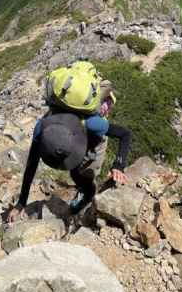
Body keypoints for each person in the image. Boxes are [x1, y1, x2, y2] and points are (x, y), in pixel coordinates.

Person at [8, 81, 132, 222]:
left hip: (94, 137)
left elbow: (125, 134)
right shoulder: (41, 129)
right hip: (75, 131)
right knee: (74, 171)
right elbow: (31, 166)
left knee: (85, 173)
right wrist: (20, 203)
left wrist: (118, 165)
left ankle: (88, 193)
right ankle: (81, 187)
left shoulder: (93, 124)